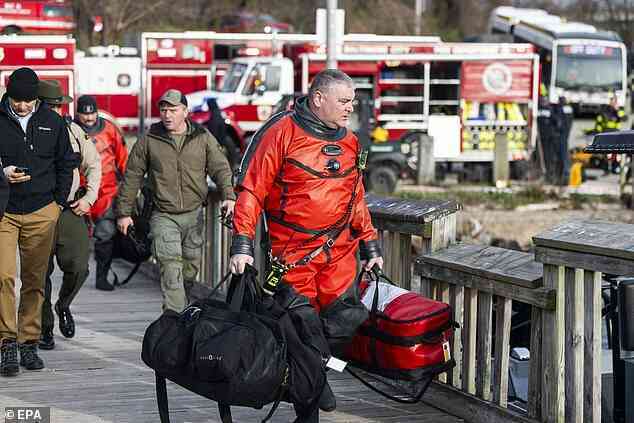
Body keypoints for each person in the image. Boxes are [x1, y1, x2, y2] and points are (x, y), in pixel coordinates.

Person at [229, 69, 384, 421]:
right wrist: (241, 243)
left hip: (340, 254)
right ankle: (309, 407)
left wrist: (370, 245)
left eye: (352, 101)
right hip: (292, 256)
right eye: (344, 101)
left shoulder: (351, 143)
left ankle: (314, 370)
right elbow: (251, 189)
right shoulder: (280, 132)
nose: (350, 108)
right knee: (302, 327)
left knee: (345, 320)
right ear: (318, 99)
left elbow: (355, 198)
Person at [116, 89, 235, 312]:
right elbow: (132, 176)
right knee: (171, 268)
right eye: (163, 110)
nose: (167, 115)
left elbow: (220, 167)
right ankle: (174, 319)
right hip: (163, 214)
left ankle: (182, 308)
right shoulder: (150, 139)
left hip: (194, 214)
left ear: (185, 111)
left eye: (173, 110)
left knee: (189, 268)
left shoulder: (202, 137)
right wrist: (124, 213)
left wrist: (228, 195)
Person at [0, 68, 75, 377]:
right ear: (8, 94)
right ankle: (6, 343)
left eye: (28, 100)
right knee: (3, 278)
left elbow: (66, 164)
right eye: (17, 100)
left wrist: (57, 204)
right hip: (3, 210)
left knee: (35, 280)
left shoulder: (53, 122)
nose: (22, 106)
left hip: (42, 211)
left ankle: (28, 341)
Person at [37, 81, 102, 350]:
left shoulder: (73, 130)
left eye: (58, 105)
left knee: (79, 268)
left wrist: (89, 199)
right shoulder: (26, 131)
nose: (55, 110)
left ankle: (63, 305)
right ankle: (44, 329)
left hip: (70, 209)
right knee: (39, 274)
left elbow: (94, 164)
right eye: (50, 105)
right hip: (37, 210)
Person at [74, 95, 128, 291]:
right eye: (84, 114)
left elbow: (123, 160)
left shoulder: (110, 130)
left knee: (106, 235)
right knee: (76, 241)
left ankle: (101, 278)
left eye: (91, 113)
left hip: (107, 192)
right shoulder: (69, 130)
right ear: (77, 113)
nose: (88, 118)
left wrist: (129, 187)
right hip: (77, 194)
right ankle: (75, 278)